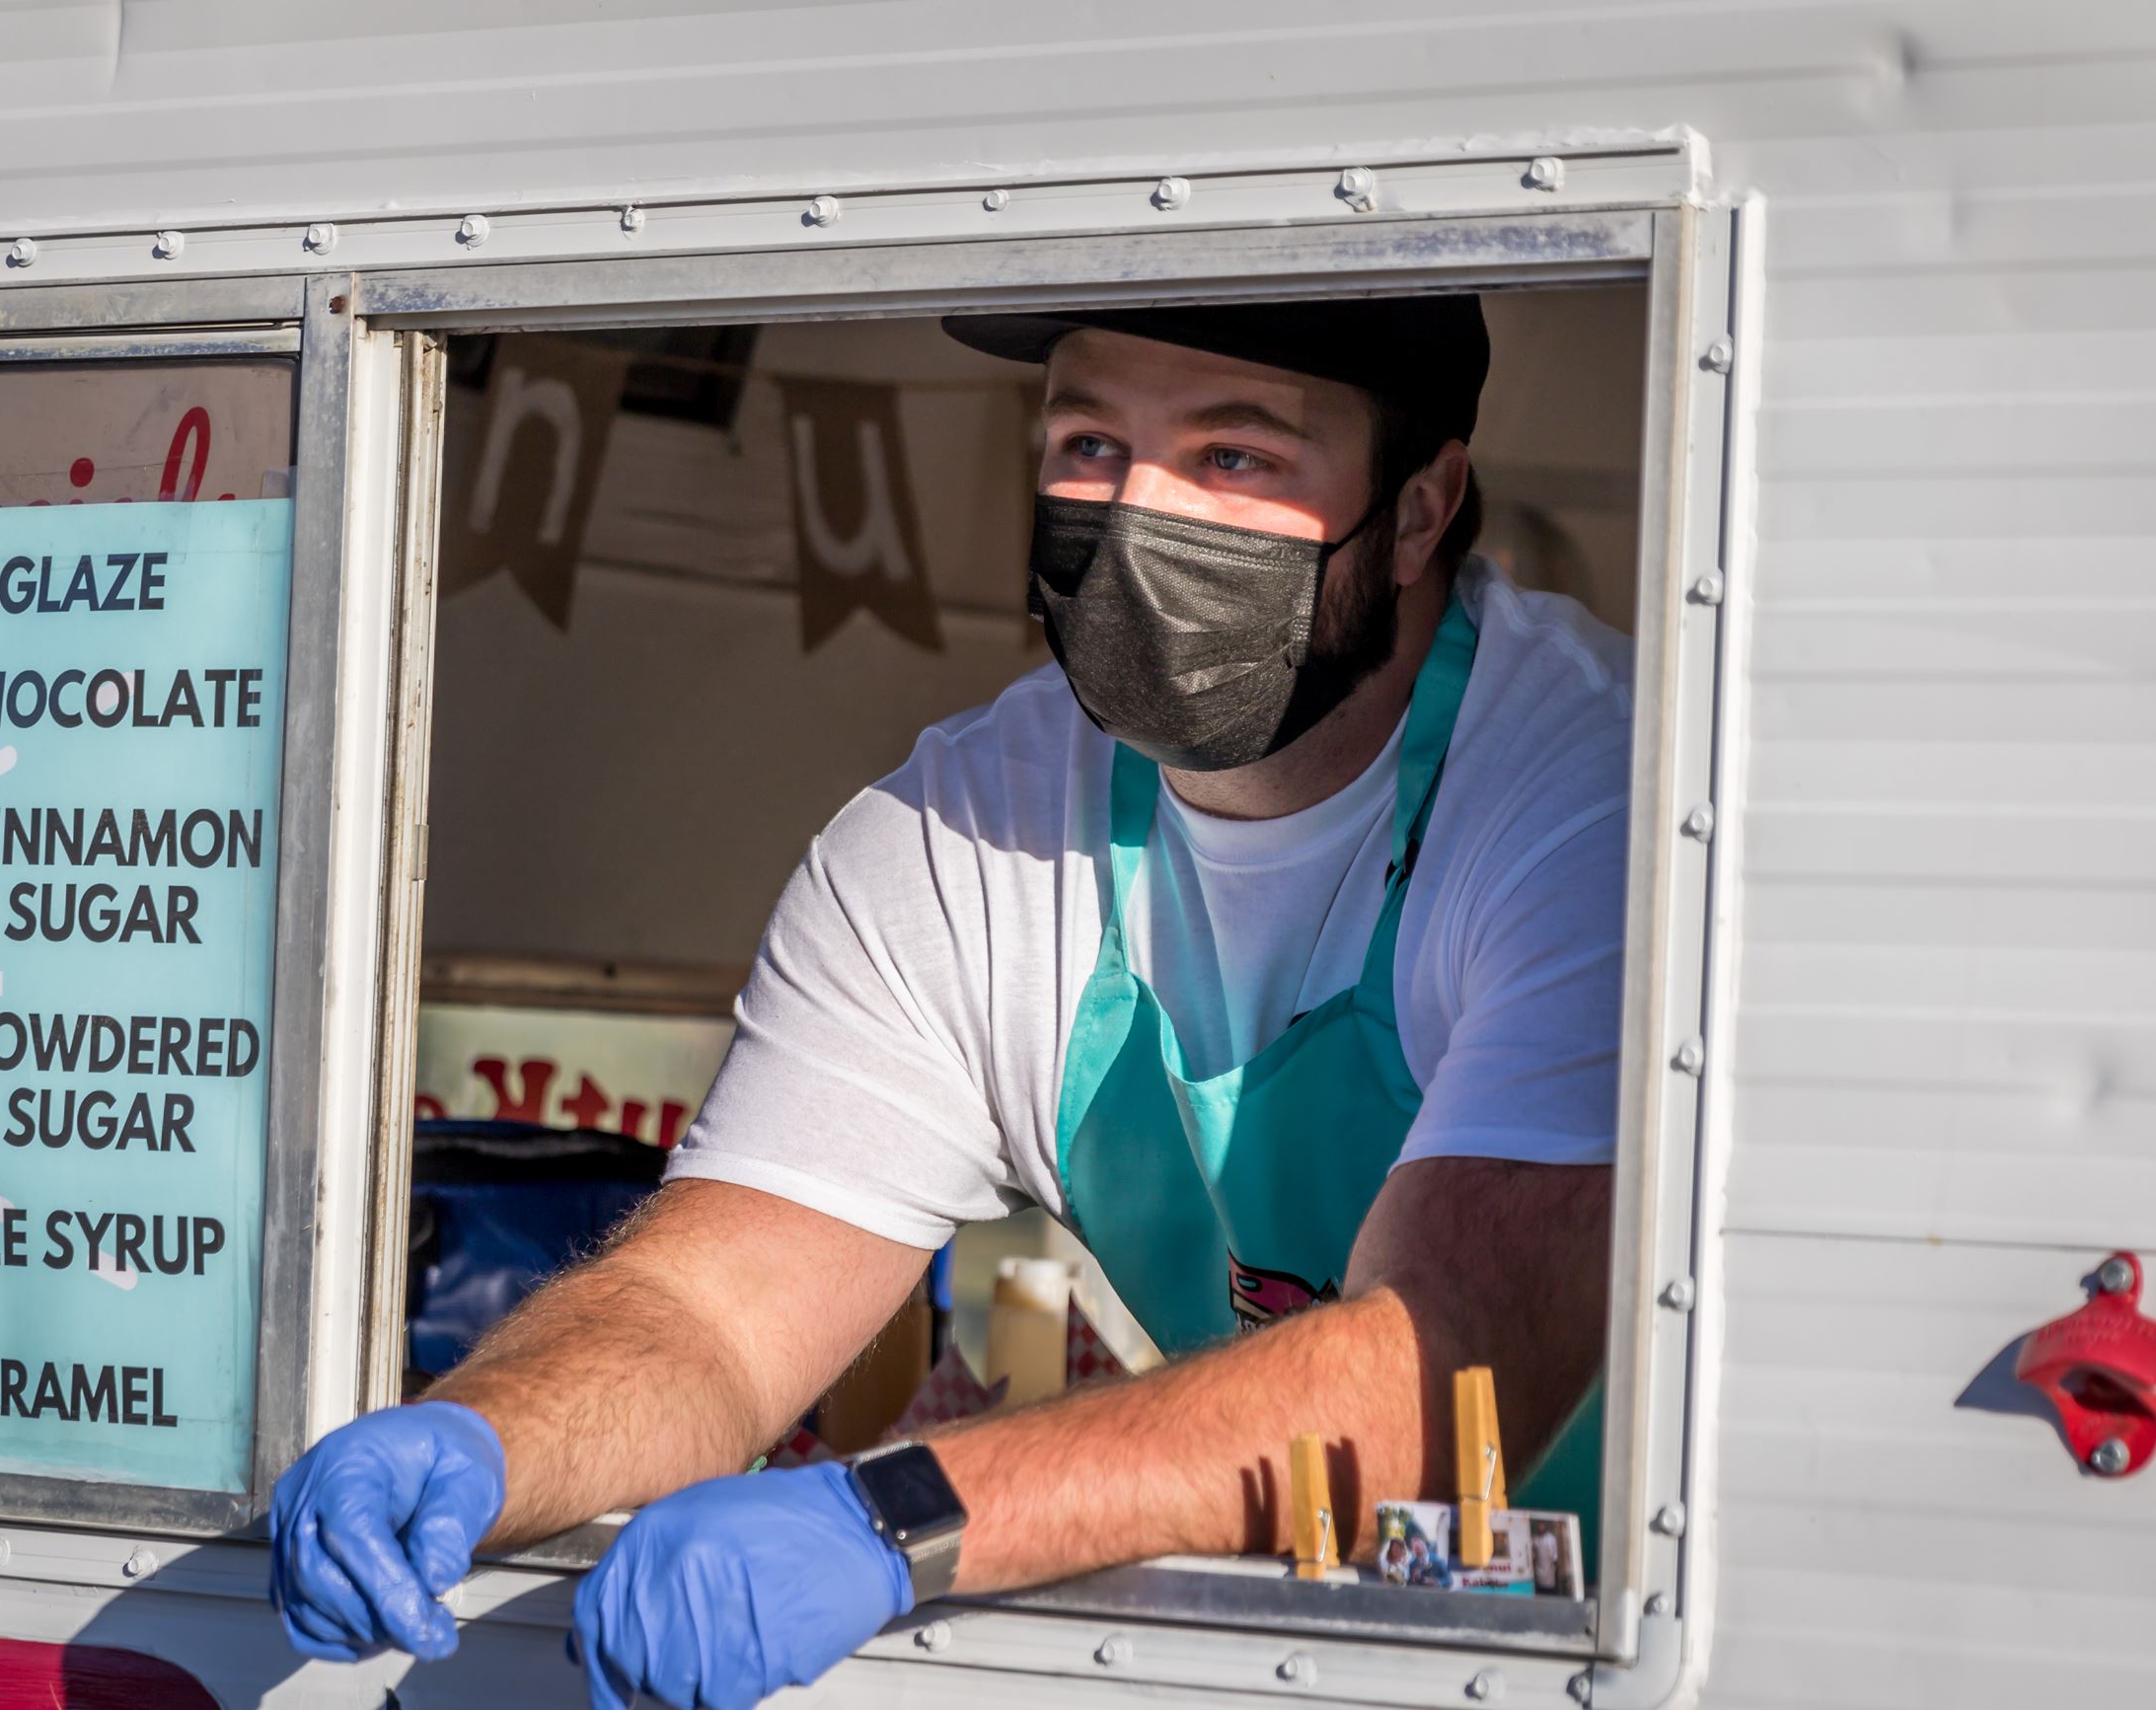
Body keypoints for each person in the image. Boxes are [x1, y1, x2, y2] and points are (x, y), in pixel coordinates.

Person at [268, 295, 1631, 1708]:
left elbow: (1435, 1376)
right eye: (1090, 444)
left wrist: (896, 1516)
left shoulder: (1592, 802)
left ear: (1419, 512)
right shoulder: (957, 836)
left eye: (1234, 457)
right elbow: (712, 1313)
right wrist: (485, 1438)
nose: (1138, 517)